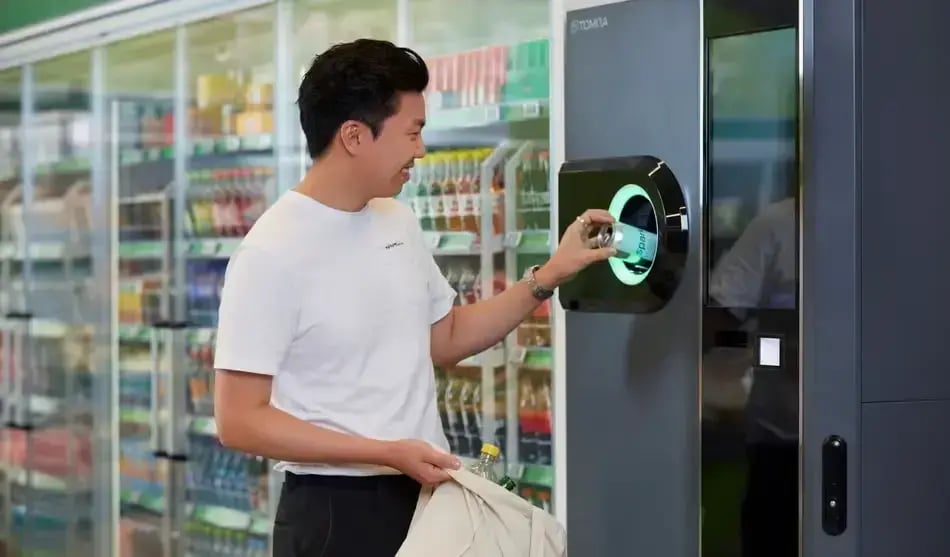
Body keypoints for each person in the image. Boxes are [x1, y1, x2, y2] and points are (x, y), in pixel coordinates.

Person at [212, 39, 614, 557]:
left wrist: (551, 274)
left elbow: (444, 338)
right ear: (354, 136)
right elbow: (240, 419)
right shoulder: (272, 251)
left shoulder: (395, 218)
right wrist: (384, 452)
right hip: (336, 512)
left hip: (422, 497)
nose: (421, 150)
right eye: (413, 132)